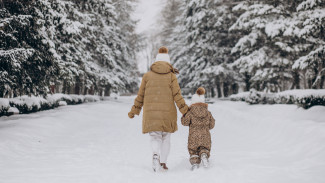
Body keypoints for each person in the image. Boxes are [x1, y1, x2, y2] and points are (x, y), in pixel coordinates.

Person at [128, 46, 188, 172]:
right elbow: (178, 96)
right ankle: (163, 163)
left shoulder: (147, 76)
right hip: (168, 114)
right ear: (168, 61)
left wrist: (134, 110)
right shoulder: (172, 76)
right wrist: (185, 111)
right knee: (166, 138)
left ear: (156, 61)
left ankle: (155, 153)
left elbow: (141, 95)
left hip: (151, 113)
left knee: (155, 136)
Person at [181, 87, 215, 170]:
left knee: (193, 150)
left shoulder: (190, 112)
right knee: (205, 147)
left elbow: (184, 122)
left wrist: (183, 116)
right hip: (205, 135)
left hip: (193, 136)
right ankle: (204, 154)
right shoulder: (208, 113)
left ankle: (195, 163)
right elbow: (212, 125)